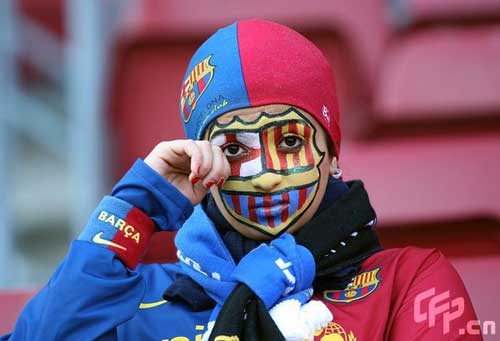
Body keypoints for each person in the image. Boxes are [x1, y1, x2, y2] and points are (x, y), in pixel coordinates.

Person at [2, 19, 481, 341]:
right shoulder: (134, 298)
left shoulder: (408, 282)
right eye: (233, 150)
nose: (267, 177)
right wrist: (139, 202)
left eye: (291, 143)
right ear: (202, 164)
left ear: (332, 153)